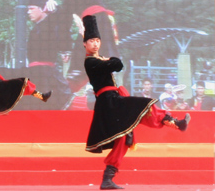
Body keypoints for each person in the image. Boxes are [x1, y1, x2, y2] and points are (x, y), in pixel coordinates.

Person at [81, 15, 191, 190]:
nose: (95, 44)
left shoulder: (100, 59)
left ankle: (107, 178)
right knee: (143, 105)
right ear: (84, 44)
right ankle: (175, 123)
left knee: (124, 139)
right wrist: (110, 60)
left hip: (113, 100)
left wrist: (110, 60)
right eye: (91, 41)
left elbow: (116, 65)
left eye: (97, 40)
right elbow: (116, 65)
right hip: (109, 103)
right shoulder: (91, 62)